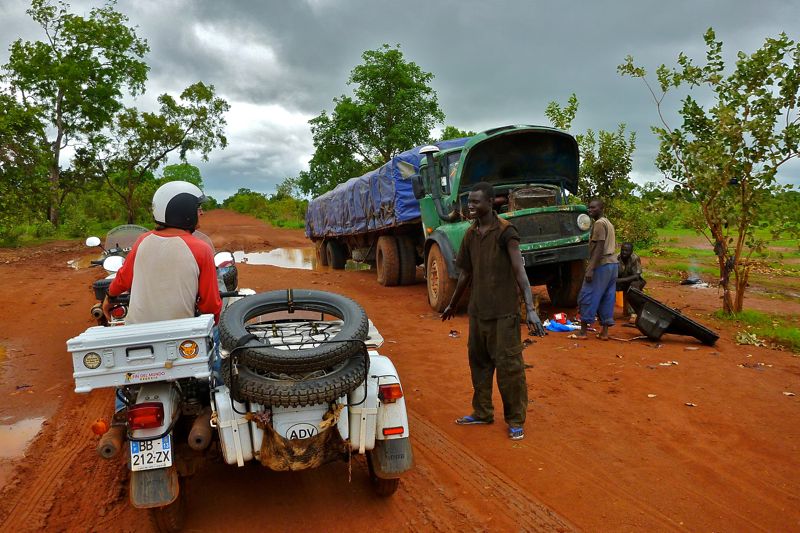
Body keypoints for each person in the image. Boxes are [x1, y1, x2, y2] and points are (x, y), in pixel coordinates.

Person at [441, 182, 545, 441]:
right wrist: (452, 304)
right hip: (478, 312)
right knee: (479, 365)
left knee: (510, 368)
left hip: (504, 314)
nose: (471, 206)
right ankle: (482, 412)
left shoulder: (506, 232)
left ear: (490, 202)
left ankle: (515, 419)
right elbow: (465, 272)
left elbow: (520, 271)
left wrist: (530, 309)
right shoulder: (471, 233)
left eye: (476, 202)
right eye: (470, 201)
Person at [103, 181, 222, 325]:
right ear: (184, 210)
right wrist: (214, 324)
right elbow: (210, 305)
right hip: (181, 334)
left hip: (136, 331)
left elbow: (123, 279)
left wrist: (109, 297)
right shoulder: (201, 249)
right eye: (198, 208)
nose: (202, 212)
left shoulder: (142, 240)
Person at [577, 198, 617, 340]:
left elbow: (599, 247)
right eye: (589, 207)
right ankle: (604, 332)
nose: (590, 210)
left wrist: (591, 268)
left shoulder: (599, 224)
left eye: (594, 208)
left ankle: (583, 332)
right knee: (607, 296)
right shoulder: (608, 223)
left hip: (602, 264)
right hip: (613, 265)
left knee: (587, 294)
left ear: (601, 208)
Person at [616, 242, 646, 318]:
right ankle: (604, 312)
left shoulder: (635, 258)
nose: (624, 252)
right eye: (622, 250)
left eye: (626, 251)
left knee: (633, 286)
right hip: (620, 280)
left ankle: (634, 313)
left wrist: (621, 280)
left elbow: (636, 276)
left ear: (631, 251)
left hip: (635, 281)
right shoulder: (616, 258)